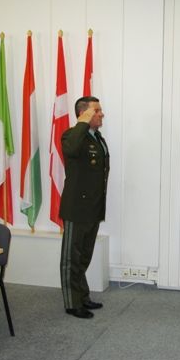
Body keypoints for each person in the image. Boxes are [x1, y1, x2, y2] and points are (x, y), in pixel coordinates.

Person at [59, 96, 109, 319]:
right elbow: (71, 149)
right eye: (96, 110)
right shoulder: (71, 135)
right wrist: (82, 122)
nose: (101, 114)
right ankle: (72, 303)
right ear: (84, 114)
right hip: (76, 207)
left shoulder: (97, 138)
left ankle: (82, 296)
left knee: (84, 257)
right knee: (71, 259)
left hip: (93, 208)